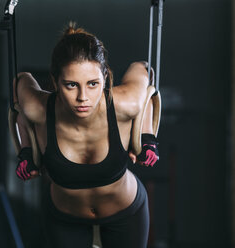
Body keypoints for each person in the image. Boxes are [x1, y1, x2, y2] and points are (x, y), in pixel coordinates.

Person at [13, 22, 159, 248]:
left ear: (105, 77)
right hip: (64, 218)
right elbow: (20, 84)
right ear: (55, 82)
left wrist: (146, 137)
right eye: (71, 85)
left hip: (126, 211)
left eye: (93, 84)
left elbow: (145, 73)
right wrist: (25, 150)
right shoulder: (38, 109)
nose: (83, 97)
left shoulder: (125, 103)